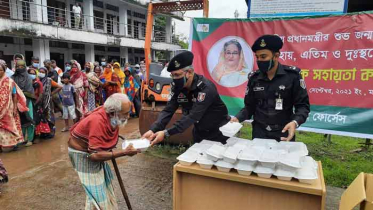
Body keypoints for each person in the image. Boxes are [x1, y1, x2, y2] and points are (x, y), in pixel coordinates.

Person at [231, 35, 310, 141]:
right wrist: (237, 118)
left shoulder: (292, 76)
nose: (259, 60)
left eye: (263, 57)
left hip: (283, 132)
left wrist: (295, 122)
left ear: (276, 56)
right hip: (259, 133)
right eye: (257, 57)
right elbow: (249, 107)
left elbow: (303, 106)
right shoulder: (254, 78)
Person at [68, 93, 140, 210]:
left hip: (92, 150)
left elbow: (106, 134)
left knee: (100, 188)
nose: (128, 116)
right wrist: (124, 152)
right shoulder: (98, 121)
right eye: (126, 113)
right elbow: (94, 155)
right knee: (97, 193)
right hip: (82, 154)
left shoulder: (110, 115)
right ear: (113, 113)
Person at [142, 51, 231, 145]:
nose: (175, 79)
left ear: (190, 72)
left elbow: (192, 116)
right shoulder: (179, 88)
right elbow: (168, 110)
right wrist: (153, 129)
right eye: (172, 75)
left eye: (177, 75)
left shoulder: (205, 88)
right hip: (200, 132)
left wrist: (165, 133)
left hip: (220, 132)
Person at [0, 59, 28, 152]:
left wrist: (15, 107)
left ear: (4, 71)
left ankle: (14, 144)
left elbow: (14, 95)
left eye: (0, 70)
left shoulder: (9, 81)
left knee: (10, 125)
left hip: (8, 107)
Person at [12, 60, 36, 146]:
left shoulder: (28, 78)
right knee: (19, 120)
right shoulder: (13, 77)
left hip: (27, 101)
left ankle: (30, 139)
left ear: (24, 67)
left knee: (29, 119)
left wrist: (20, 92)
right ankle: (22, 138)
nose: (19, 68)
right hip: (15, 102)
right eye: (18, 67)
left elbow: (29, 91)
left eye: (21, 67)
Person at [36, 67, 62, 138]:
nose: (41, 73)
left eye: (43, 72)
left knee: (49, 116)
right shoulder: (36, 80)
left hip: (47, 101)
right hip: (39, 101)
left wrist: (51, 93)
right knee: (41, 116)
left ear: (46, 73)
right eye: (40, 72)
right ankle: (43, 132)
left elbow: (59, 87)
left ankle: (51, 131)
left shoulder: (49, 80)